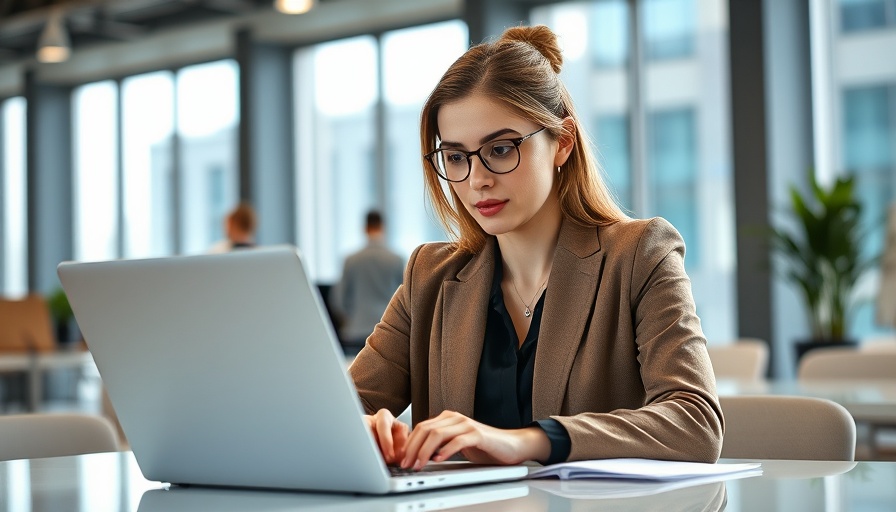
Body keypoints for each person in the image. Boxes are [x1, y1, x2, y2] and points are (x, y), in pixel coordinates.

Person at [348, 25, 723, 470]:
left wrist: (531, 441)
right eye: (455, 156)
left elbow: (696, 423)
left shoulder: (639, 255)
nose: (477, 178)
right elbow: (341, 408)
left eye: (501, 149)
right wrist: (359, 426)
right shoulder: (429, 275)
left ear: (562, 142)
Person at [330, 210, 405, 349]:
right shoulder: (396, 259)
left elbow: (338, 300)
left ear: (365, 228)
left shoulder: (351, 260)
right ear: (383, 227)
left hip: (356, 331)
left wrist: (351, 320)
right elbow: (406, 300)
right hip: (388, 332)